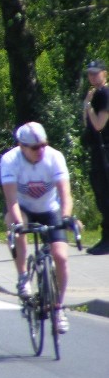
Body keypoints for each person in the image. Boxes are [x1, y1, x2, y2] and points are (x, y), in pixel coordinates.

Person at [0, 122, 74, 333]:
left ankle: (58, 307)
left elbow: (65, 194)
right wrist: (19, 224)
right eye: (34, 147)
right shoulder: (10, 160)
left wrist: (66, 217)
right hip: (23, 208)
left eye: (43, 145)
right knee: (16, 225)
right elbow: (11, 200)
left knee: (60, 257)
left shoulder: (54, 157)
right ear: (21, 146)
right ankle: (23, 276)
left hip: (49, 209)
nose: (40, 150)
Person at [82, 59, 109, 255]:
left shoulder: (105, 93)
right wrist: (88, 107)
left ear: (104, 73)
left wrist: (88, 105)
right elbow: (88, 125)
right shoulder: (96, 94)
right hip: (97, 151)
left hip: (104, 152)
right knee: (101, 196)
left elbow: (99, 124)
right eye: (90, 73)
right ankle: (105, 237)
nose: (92, 76)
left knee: (105, 195)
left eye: (96, 73)